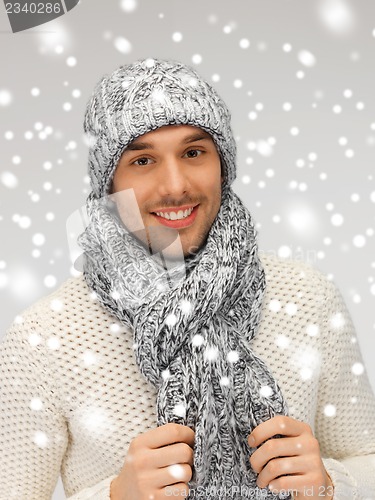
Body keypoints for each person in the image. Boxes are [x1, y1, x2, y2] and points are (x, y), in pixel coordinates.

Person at [0, 58, 374, 500]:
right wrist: (115, 496)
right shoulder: (43, 337)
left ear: (223, 164)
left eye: (193, 152)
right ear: (109, 182)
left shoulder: (308, 296)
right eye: (142, 160)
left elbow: (365, 458)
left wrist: (333, 483)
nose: (175, 185)